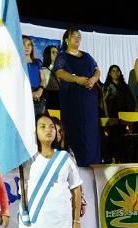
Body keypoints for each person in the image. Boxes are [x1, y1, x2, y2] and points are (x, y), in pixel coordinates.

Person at [54, 29, 102, 167]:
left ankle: (94, 160)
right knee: (74, 127)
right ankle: (76, 161)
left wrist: (93, 79)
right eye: (74, 36)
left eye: (79, 36)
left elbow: (97, 70)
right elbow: (59, 72)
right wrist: (77, 79)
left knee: (91, 128)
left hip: (89, 97)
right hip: (71, 97)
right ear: (66, 40)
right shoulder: (62, 56)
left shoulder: (87, 56)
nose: (77, 38)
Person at [23, 35, 46, 116]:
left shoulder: (38, 62)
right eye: (23, 44)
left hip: (37, 96)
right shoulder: (17, 63)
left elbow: (43, 79)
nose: (27, 47)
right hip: (22, 96)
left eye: (29, 44)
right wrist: (29, 94)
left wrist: (40, 91)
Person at [41, 45, 60, 111]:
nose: (56, 54)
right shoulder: (43, 69)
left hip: (61, 99)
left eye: (57, 52)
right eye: (53, 52)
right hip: (50, 100)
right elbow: (44, 85)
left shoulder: (61, 69)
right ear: (47, 54)